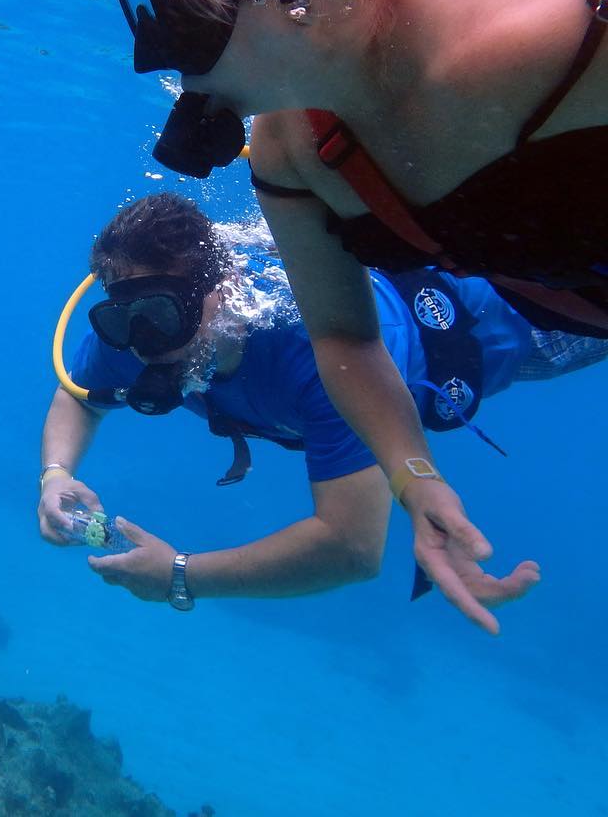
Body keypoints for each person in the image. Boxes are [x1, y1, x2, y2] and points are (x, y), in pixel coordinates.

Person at [107, 0, 608, 631]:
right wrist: (417, 479)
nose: (154, 56)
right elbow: (344, 337)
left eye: (174, 17)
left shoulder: (558, 23)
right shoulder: (292, 149)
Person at [39, 194, 604, 610]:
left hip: (533, 320)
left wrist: (181, 574)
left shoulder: (315, 356)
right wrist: (55, 474)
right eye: (119, 322)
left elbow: (352, 546)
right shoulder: (142, 334)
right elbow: (81, 396)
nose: (142, 346)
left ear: (227, 289)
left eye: (161, 316)